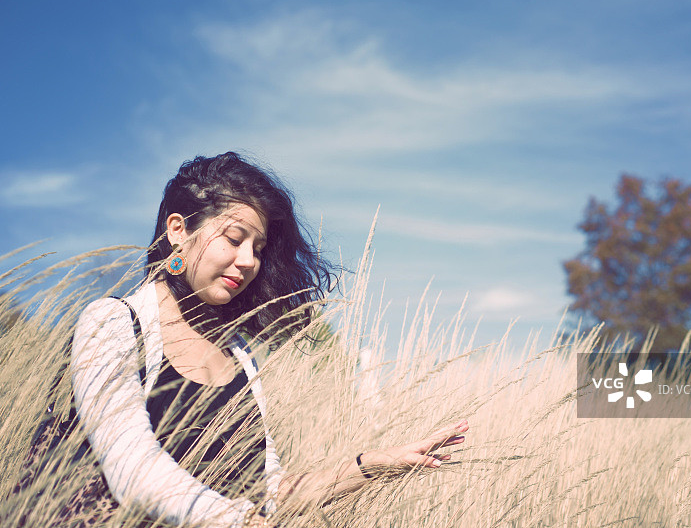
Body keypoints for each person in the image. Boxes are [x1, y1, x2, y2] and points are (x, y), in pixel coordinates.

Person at [71, 152, 468, 527]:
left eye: (257, 248)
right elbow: (130, 468)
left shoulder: (240, 355)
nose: (248, 261)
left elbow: (267, 491)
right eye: (233, 237)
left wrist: (370, 465)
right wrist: (238, 520)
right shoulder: (112, 324)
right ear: (178, 230)